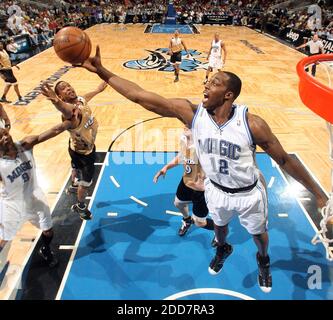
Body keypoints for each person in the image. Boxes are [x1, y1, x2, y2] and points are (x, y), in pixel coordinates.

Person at [78, 46, 328, 292]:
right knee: (219, 228)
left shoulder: (252, 124)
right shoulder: (192, 114)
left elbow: (285, 160)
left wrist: (319, 196)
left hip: (248, 193)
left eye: (214, 83)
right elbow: (140, 96)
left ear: (228, 94)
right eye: (208, 81)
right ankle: (222, 248)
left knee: (258, 233)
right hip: (215, 189)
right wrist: (102, 71)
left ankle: (263, 259)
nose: (206, 85)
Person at [0, 121, 73, 268]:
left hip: (35, 197)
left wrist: (71, 121)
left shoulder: (25, 144)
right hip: (12, 205)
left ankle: (45, 249)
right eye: (0, 138)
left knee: (48, 230)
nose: (5, 138)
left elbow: (54, 129)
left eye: (5, 134)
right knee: (3, 240)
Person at [41, 81, 107, 220]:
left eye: (68, 85)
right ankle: (80, 206)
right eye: (63, 89)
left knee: (75, 166)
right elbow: (64, 110)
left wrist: (97, 89)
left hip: (74, 146)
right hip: (84, 154)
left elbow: (85, 97)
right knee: (86, 183)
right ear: (61, 97)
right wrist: (56, 102)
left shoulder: (80, 101)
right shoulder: (71, 113)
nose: (68, 88)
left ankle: (73, 183)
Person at [153, 127, 215, 238]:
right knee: (178, 203)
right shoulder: (184, 139)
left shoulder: (203, 147)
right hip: (186, 182)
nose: (185, 126)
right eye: (184, 123)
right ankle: (187, 220)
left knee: (200, 223)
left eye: (189, 124)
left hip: (201, 191)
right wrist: (166, 167)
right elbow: (181, 157)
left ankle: (219, 230)